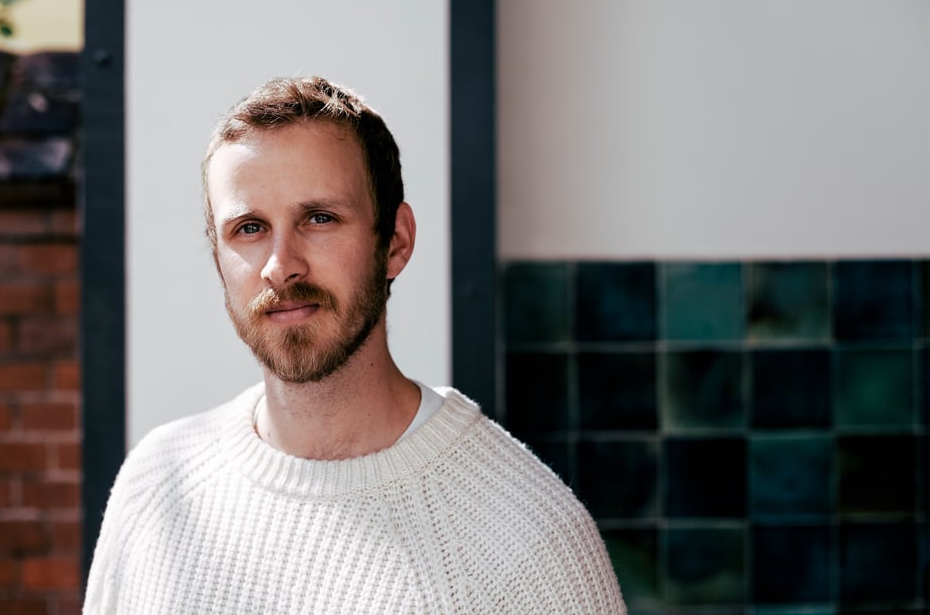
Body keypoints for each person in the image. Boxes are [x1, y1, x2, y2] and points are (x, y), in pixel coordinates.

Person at [83, 76, 626, 614]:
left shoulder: (531, 543)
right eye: (249, 228)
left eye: (319, 219)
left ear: (396, 242)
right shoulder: (156, 484)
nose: (280, 267)